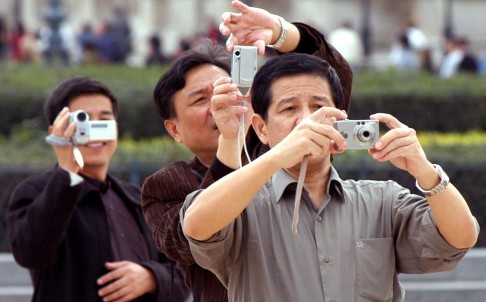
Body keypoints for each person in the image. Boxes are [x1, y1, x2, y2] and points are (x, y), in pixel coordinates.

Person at [181, 52, 479, 302]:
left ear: (341, 120)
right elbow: (196, 224)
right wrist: (281, 155)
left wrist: (425, 171)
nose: (306, 120)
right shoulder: (241, 204)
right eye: (289, 109)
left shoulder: (381, 200)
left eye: (318, 107)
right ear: (260, 129)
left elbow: (460, 238)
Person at [141, 1, 353, 301]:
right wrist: (230, 146)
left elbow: (331, 81)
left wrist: (279, 33)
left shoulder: (279, 144)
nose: (219, 104)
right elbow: (192, 239)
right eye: (201, 100)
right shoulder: (166, 186)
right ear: (174, 129)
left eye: (227, 89)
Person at [7, 76, 189, 302]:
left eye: (104, 119)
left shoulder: (138, 198)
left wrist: (151, 277)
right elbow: (31, 253)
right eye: (82, 120)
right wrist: (66, 174)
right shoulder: (36, 192)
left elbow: (183, 273)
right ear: (57, 130)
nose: (93, 130)